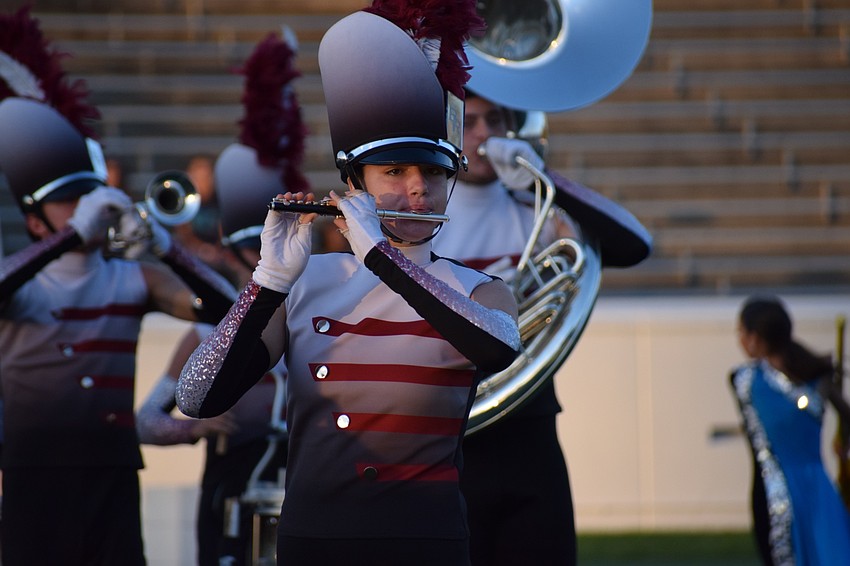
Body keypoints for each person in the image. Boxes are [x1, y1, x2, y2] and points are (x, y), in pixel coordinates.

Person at [175, 3, 522, 564]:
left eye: (433, 173)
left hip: (427, 545)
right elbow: (196, 396)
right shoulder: (304, 285)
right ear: (353, 183)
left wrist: (382, 255)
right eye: (394, 173)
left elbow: (500, 347)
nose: (417, 191)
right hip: (316, 543)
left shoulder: (480, 290)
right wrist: (268, 281)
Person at [0, 9, 236, 565]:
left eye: (89, 197)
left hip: (111, 473)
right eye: (68, 202)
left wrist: (166, 246)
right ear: (36, 221)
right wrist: (69, 239)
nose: (85, 209)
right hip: (36, 476)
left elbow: (227, 311)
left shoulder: (133, 275)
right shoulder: (23, 276)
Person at [431, 91, 653, 566]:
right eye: (469, 122)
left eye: (496, 119)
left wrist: (540, 179)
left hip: (530, 431)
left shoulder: (537, 213)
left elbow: (635, 245)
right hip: (449, 440)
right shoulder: (426, 222)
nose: (485, 133)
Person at [136, 31, 307, 566]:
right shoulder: (204, 333)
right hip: (230, 493)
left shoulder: (316, 319)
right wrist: (196, 426)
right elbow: (146, 420)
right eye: (247, 255)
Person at [730, 295, 850, 565]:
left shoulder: (745, 381)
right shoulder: (818, 379)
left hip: (773, 496)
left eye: (742, 332)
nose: (739, 340)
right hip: (819, 490)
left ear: (756, 338)